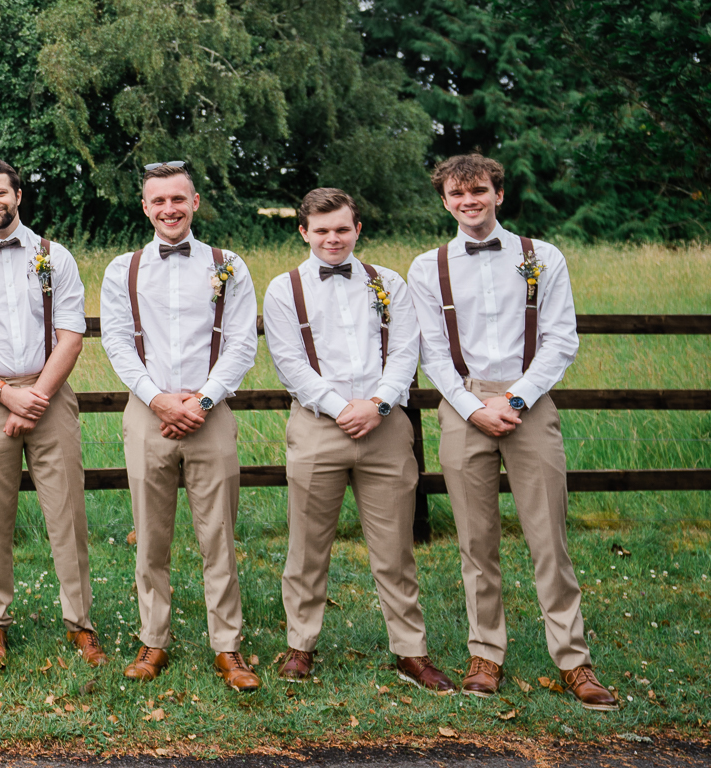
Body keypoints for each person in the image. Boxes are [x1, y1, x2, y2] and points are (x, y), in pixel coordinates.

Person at [405, 154, 618, 710]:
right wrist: (475, 408)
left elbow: (561, 339)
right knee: (476, 541)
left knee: (549, 536)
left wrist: (516, 397)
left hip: (530, 401)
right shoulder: (427, 267)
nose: (468, 201)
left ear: (499, 193)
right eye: (456, 194)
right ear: (445, 201)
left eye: (478, 190)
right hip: (463, 404)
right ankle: (486, 653)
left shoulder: (542, 257)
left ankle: (573, 660)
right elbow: (430, 351)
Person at [264, 188, 453, 692]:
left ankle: (411, 652)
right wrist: (339, 407)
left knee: (395, 548)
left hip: (386, 426)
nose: (332, 239)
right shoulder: (285, 290)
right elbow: (289, 362)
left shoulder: (388, 283)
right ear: (303, 232)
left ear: (358, 230)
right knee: (307, 546)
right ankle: (300, 645)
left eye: (342, 229)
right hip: (316, 426)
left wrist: (380, 404)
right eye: (321, 230)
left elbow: (406, 350)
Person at [98, 161, 260, 692]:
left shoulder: (227, 265)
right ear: (145, 208)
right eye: (158, 201)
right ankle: (153, 640)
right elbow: (118, 341)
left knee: (219, 535)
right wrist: (161, 401)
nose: (169, 209)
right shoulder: (122, 269)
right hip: (149, 415)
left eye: (178, 199)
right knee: (151, 536)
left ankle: (228, 647)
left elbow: (240, 342)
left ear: (195, 203)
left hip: (210, 415)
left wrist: (203, 400)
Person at [0, 159, 106, 669]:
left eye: (0, 192)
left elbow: (71, 335)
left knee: (67, 513)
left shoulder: (54, 257)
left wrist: (35, 397)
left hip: (50, 395)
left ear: (18, 194)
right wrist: (4, 395)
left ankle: (81, 623)